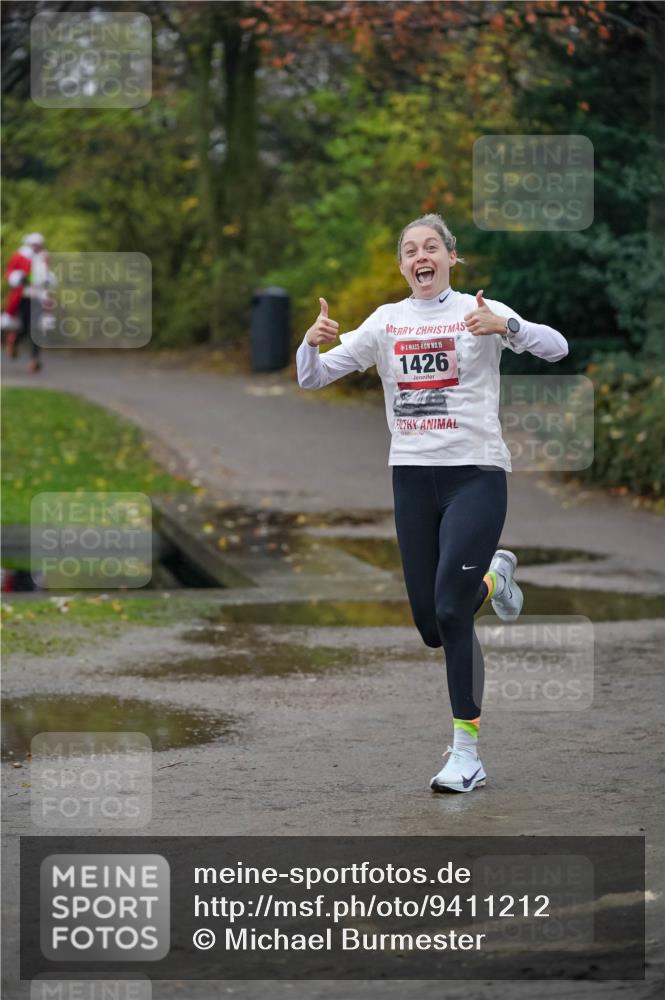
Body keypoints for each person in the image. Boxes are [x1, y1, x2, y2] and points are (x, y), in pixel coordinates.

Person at [296, 213, 568, 794]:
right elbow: (314, 378)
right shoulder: (387, 322)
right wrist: (308, 343)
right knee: (431, 626)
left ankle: (466, 753)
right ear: (402, 266)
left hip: (476, 474)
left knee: (450, 611)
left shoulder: (478, 311)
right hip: (412, 480)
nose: (421, 257)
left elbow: (557, 347)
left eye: (432, 248)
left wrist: (508, 325)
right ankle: (495, 579)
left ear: (450, 257)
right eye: (410, 251)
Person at [2, 232, 55, 373]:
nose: (37, 247)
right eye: (34, 244)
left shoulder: (44, 257)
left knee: (36, 329)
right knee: (25, 328)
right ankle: (13, 342)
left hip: (38, 297)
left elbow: (47, 275)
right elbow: (10, 273)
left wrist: (47, 280)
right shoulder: (20, 256)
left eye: (39, 245)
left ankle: (35, 359)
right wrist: (20, 278)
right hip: (23, 297)